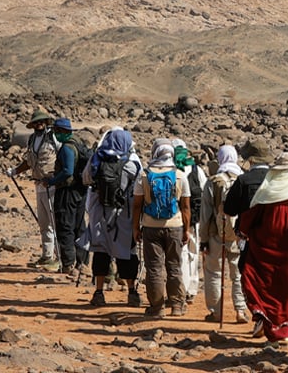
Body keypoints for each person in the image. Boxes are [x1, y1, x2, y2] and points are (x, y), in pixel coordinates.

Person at [237, 151, 288, 343]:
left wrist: (243, 233)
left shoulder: (266, 193)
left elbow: (248, 221)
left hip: (268, 247)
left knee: (266, 283)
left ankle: (271, 324)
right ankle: (287, 326)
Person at [80, 126, 142, 307]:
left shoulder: (96, 159)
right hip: (124, 215)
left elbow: (86, 179)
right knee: (127, 252)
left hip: (100, 213)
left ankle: (99, 292)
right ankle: (132, 293)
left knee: (100, 252)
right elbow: (140, 186)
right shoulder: (132, 162)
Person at [131, 141, 191, 318]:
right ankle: (177, 305)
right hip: (175, 226)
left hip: (150, 226)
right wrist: (186, 230)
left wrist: (136, 227)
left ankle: (157, 308)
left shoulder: (144, 175)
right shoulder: (179, 175)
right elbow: (186, 207)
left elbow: (136, 206)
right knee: (174, 266)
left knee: (154, 268)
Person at [198, 144, 248, 324]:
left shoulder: (213, 181)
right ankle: (241, 310)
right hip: (238, 235)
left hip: (215, 234)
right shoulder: (243, 179)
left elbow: (205, 215)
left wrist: (203, 239)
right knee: (238, 273)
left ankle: (216, 311)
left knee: (213, 272)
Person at [6, 109, 60, 271]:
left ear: (46, 122)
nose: (39, 124)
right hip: (38, 185)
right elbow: (29, 161)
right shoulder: (32, 140)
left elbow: (63, 157)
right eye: (36, 122)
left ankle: (61, 258)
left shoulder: (53, 138)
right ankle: (47, 256)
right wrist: (15, 171)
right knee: (44, 223)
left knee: (55, 222)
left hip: (52, 185)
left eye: (42, 121)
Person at [43, 118, 89, 277]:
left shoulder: (67, 148)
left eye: (56, 131)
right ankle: (83, 263)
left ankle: (69, 264)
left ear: (62, 131)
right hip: (81, 191)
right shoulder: (79, 143)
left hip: (68, 191)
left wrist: (51, 181)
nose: (54, 134)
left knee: (65, 227)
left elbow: (68, 171)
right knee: (79, 226)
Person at [172, 138, 207, 307]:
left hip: (174, 218)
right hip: (194, 219)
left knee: (177, 255)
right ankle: (190, 290)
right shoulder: (196, 169)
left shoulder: (169, 170)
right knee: (193, 253)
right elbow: (205, 192)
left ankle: (178, 290)